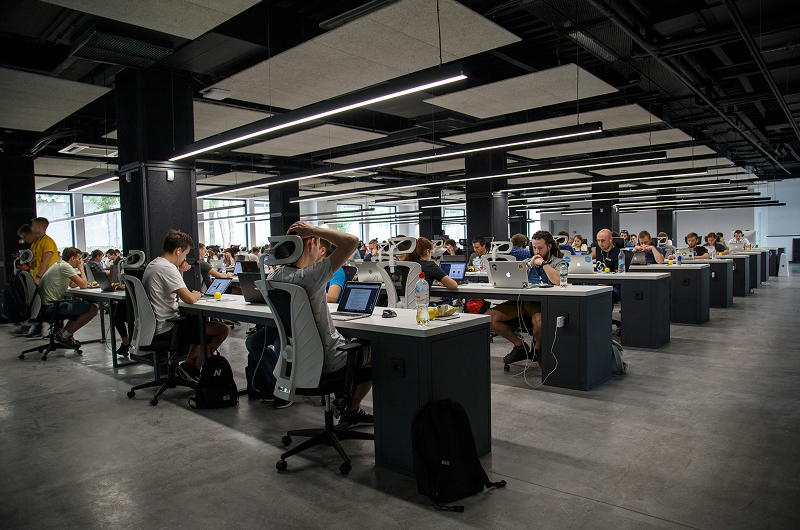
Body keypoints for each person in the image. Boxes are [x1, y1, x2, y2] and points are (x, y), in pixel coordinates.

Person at [246, 222, 374, 425]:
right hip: (330, 362)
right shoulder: (309, 276)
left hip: (298, 362)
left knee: (350, 345)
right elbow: (352, 241)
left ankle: (344, 400)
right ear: (311, 243)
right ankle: (351, 408)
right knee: (377, 350)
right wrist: (314, 230)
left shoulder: (274, 276)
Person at [143, 229, 230, 383]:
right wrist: (196, 294)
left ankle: (188, 366)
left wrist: (180, 271)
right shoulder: (167, 268)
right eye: (185, 254)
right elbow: (189, 298)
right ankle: (193, 368)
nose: (185, 258)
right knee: (221, 329)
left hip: (155, 326)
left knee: (198, 324)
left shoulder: (155, 264)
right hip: (167, 327)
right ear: (178, 251)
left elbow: (175, 290)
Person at [486, 231, 565, 365]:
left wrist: (544, 263)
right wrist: (530, 265)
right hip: (522, 302)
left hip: (541, 303)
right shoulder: (527, 262)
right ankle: (520, 346)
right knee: (489, 317)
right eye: (534, 248)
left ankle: (538, 350)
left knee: (539, 321)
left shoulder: (559, 262)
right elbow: (513, 279)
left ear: (549, 246)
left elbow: (558, 280)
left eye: (540, 248)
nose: (537, 251)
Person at [37, 246, 99, 349]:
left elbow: (72, 284)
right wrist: (81, 269)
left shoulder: (60, 265)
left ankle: (64, 334)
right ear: (72, 258)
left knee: (81, 305)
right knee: (93, 308)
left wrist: (81, 282)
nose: (80, 261)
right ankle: (65, 336)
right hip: (51, 307)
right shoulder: (66, 267)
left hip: (46, 305)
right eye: (79, 259)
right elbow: (83, 285)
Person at [589, 229, 621, 304]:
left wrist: (606, 284)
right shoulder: (598, 249)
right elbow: (587, 259)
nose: (600, 243)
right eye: (598, 241)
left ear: (610, 239)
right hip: (597, 282)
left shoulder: (618, 253)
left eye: (603, 240)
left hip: (612, 285)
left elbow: (618, 276)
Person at [30, 217, 58, 285]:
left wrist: (38, 276)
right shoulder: (39, 242)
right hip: (40, 280)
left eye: (32, 225)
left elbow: (46, 261)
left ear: (39, 226)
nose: (31, 228)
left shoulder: (47, 241)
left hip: (48, 280)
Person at [321, 238, 347, 303]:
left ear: (322, 251)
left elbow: (332, 297)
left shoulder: (336, 270)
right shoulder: (313, 269)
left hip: (328, 307)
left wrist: (306, 297)